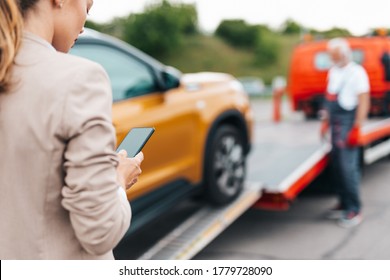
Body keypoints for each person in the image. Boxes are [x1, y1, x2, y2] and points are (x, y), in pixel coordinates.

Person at [0, 0, 143, 259]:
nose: (84, 24)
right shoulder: (79, 79)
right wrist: (118, 180)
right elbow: (101, 232)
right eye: (87, 7)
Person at [320, 38, 370, 228]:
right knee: (336, 166)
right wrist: (325, 120)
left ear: (344, 54)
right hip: (335, 122)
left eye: (335, 55)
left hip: (348, 122)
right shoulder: (333, 72)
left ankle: (354, 209)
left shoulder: (357, 73)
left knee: (348, 168)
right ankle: (343, 202)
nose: (333, 59)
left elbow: (363, 100)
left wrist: (358, 127)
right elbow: (330, 96)